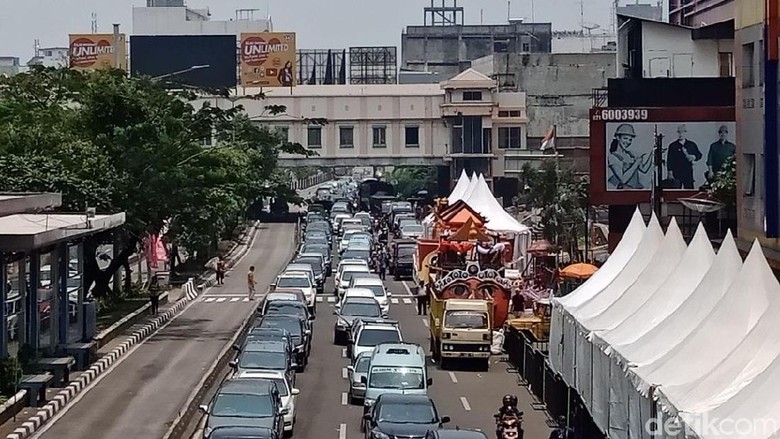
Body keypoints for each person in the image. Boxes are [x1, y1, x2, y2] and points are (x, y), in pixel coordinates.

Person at [607, 123, 652, 189]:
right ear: (617, 137)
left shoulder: (630, 154)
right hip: (624, 192)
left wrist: (653, 154)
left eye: (630, 140)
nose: (628, 142)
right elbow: (623, 179)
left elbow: (644, 170)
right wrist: (636, 163)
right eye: (625, 138)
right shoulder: (613, 157)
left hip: (635, 189)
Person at [667, 124, 703, 189]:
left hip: (688, 172)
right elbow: (669, 160)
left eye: (682, 132)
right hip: (676, 172)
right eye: (679, 132)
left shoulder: (691, 144)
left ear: (685, 133)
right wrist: (670, 173)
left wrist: (693, 157)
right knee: (676, 190)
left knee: (689, 190)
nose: (680, 134)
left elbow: (699, 155)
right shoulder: (673, 146)